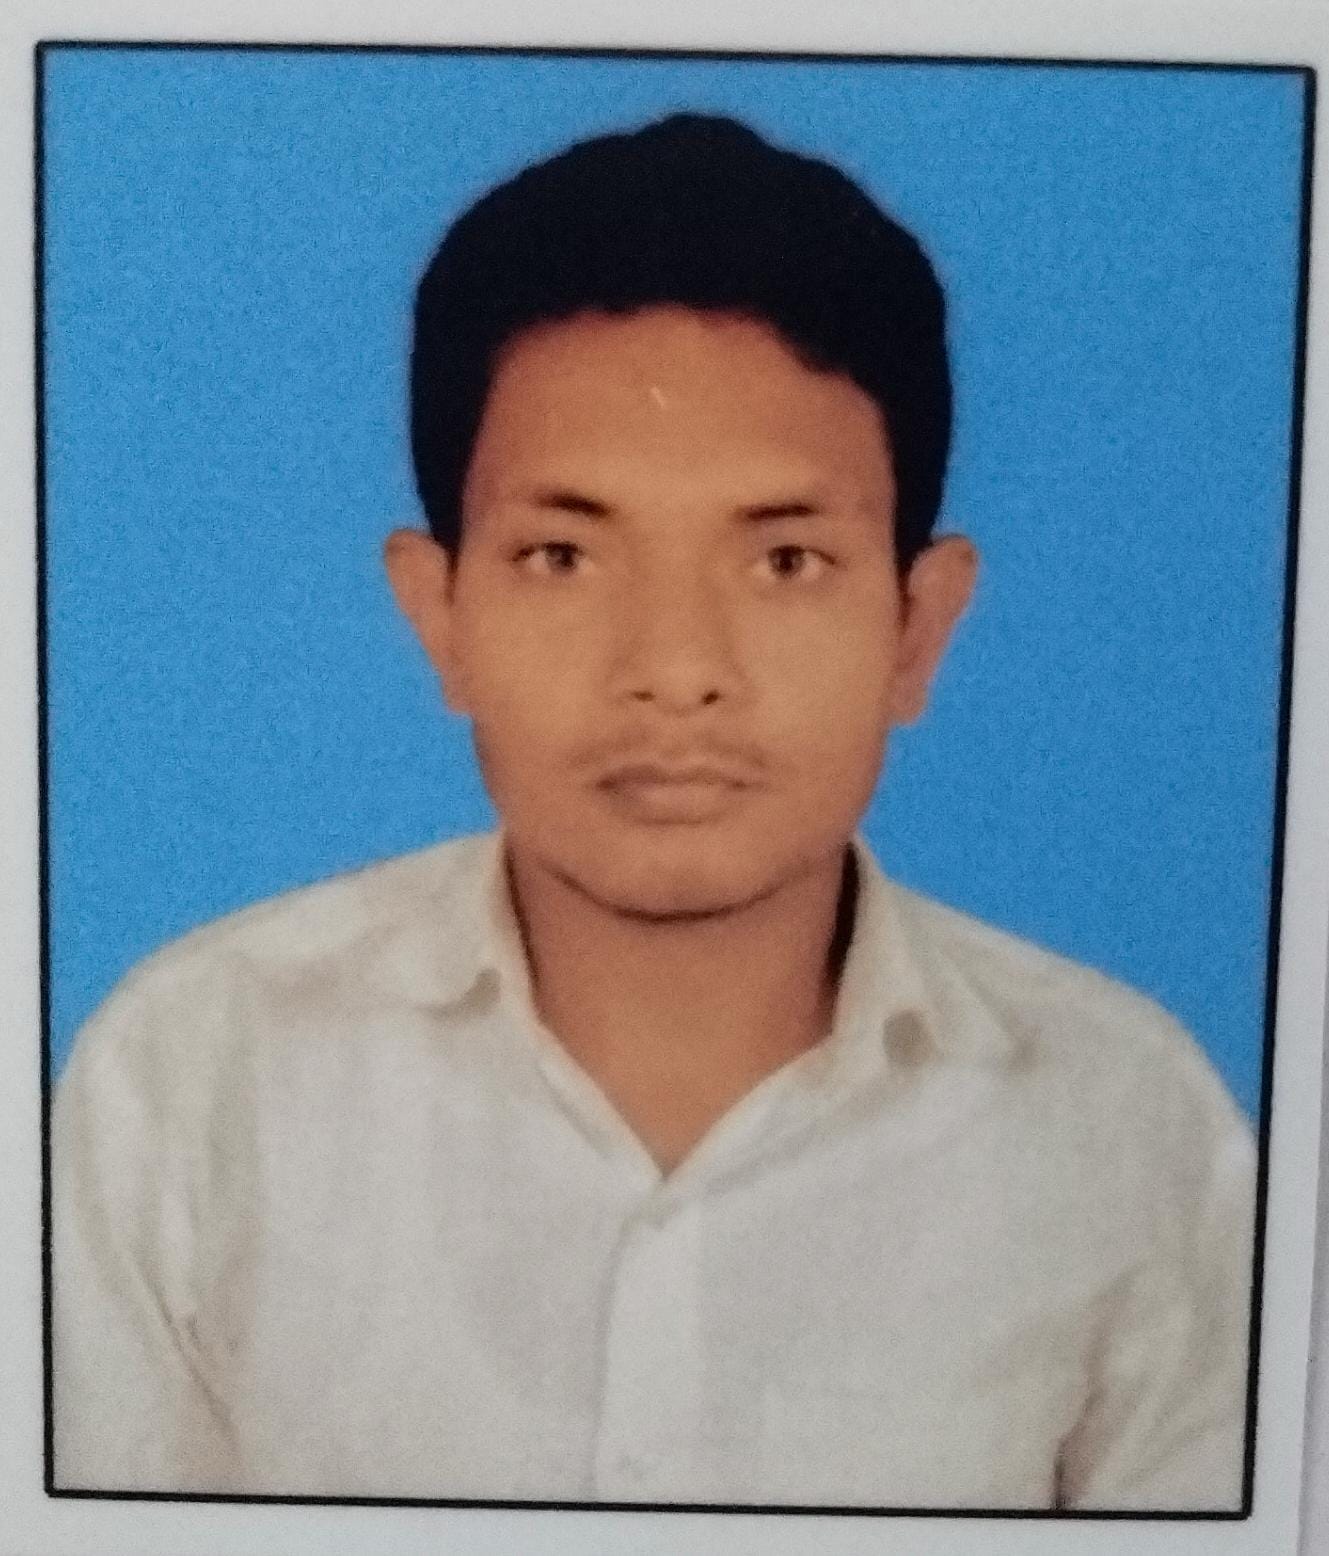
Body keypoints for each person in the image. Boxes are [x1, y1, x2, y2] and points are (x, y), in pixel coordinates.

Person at [51, 112, 1255, 1511]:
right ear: (439, 615)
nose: (676, 670)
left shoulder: (1129, 1128)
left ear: (917, 629)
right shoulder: (191, 1083)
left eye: (786, 560)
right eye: (562, 556)